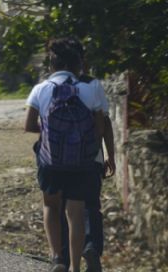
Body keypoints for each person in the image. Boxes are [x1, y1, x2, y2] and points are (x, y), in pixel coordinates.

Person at [25, 37, 107, 272]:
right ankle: (75, 266)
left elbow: (28, 125)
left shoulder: (41, 89)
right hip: (82, 160)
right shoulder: (90, 89)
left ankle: (56, 259)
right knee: (76, 211)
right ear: (78, 65)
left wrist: (50, 130)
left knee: (51, 205)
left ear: (52, 65)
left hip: (51, 160)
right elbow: (100, 127)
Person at [57, 39, 116, 272]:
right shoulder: (93, 85)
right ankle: (91, 247)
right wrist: (110, 155)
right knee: (91, 205)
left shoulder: (51, 84)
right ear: (82, 60)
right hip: (90, 156)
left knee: (62, 207)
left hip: (59, 158)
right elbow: (106, 123)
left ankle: (61, 258)